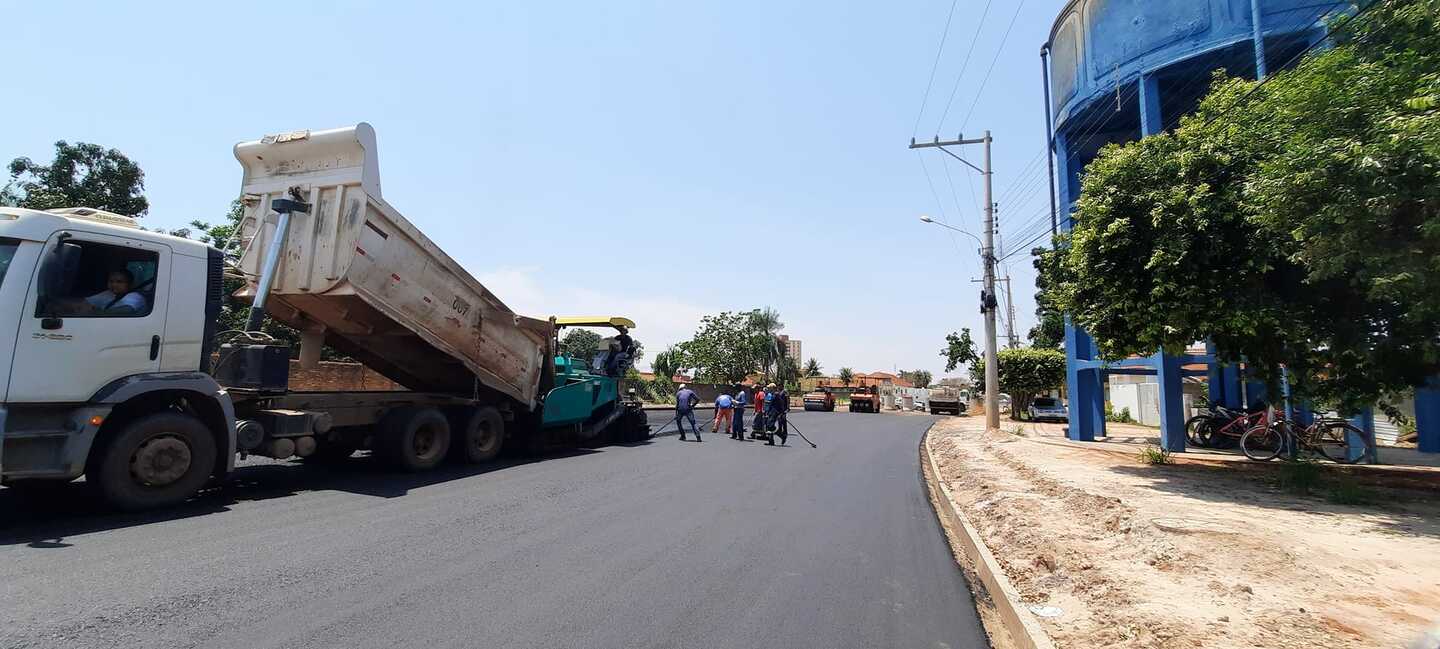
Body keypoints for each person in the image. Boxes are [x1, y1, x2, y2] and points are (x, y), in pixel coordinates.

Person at [73, 269, 148, 315]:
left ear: (130, 284)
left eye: (119, 282)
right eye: (111, 281)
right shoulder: (108, 293)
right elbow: (86, 302)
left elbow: (126, 310)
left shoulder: (135, 297)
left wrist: (94, 312)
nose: (114, 284)